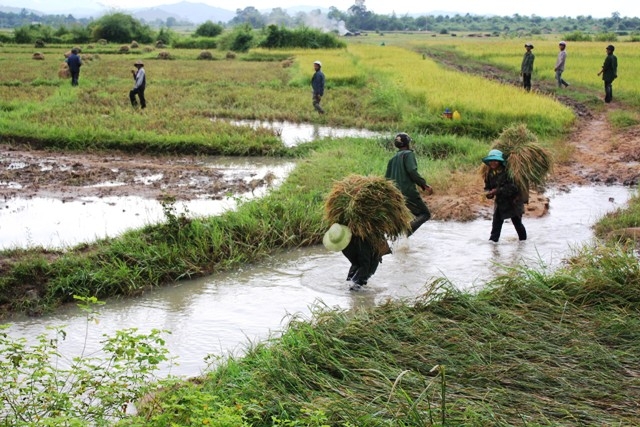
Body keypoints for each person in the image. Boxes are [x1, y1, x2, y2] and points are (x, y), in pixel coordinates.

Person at [385, 132, 432, 236]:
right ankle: (405, 234)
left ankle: (400, 237)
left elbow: (386, 179)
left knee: (408, 215)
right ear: (407, 143)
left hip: (395, 193)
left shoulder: (392, 159)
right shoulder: (408, 154)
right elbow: (412, 171)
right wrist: (424, 184)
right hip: (407, 192)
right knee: (425, 214)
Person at [482, 149, 526, 243]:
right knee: (496, 226)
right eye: (491, 160)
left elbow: (514, 188)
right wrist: (489, 194)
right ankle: (493, 245)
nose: (493, 163)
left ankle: (523, 243)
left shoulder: (509, 172)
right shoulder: (489, 174)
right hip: (500, 203)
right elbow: (487, 187)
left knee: (517, 224)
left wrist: (497, 191)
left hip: (514, 202)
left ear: (500, 161)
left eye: (495, 160)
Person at [323, 223, 381, 291]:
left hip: (371, 261)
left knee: (355, 287)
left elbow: (365, 265)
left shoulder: (360, 242)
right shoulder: (344, 247)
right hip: (359, 262)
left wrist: (356, 284)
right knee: (350, 281)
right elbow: (355, 262)